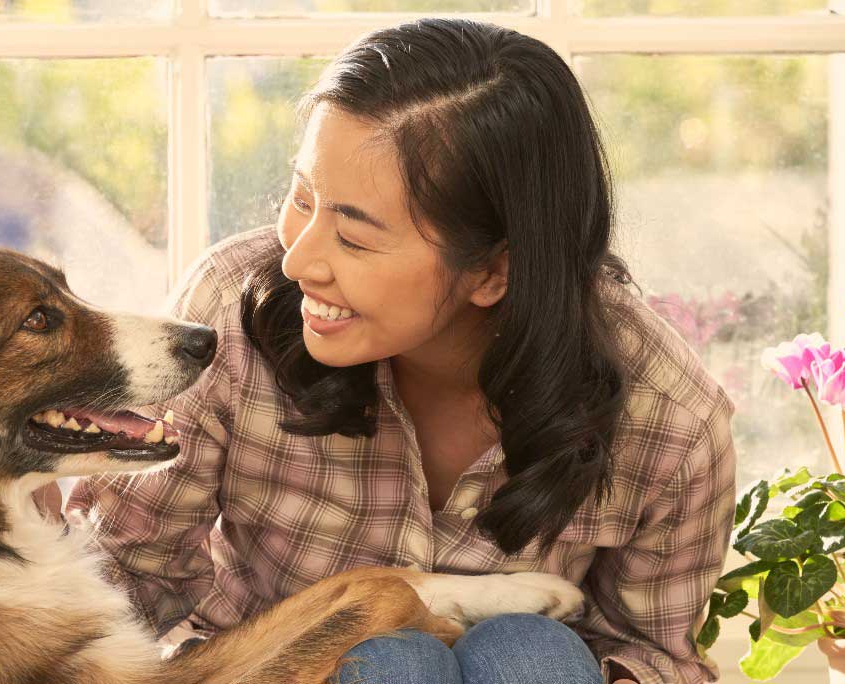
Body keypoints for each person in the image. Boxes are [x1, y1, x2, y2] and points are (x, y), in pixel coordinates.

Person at [60, 17, 736, 684]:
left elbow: (651, 652)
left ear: (495, 271)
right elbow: (125, 578)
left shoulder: (670, 416)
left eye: (354, 239)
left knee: (532, 653)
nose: (299, 261)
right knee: (391, 661)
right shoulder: (228, 318)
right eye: (302, 198)